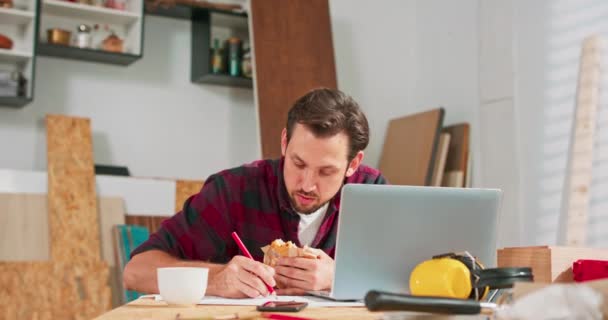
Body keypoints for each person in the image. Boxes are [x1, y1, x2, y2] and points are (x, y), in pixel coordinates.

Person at [123, 88, 387, 298]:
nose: (307, 184)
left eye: (326, 172)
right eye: (298, 163)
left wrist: (339, 277)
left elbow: (414, 277)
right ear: (284, 142)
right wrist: (216, 278)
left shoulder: (372, 194)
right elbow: (136, 271)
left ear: (353, 164)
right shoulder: (234, 191)